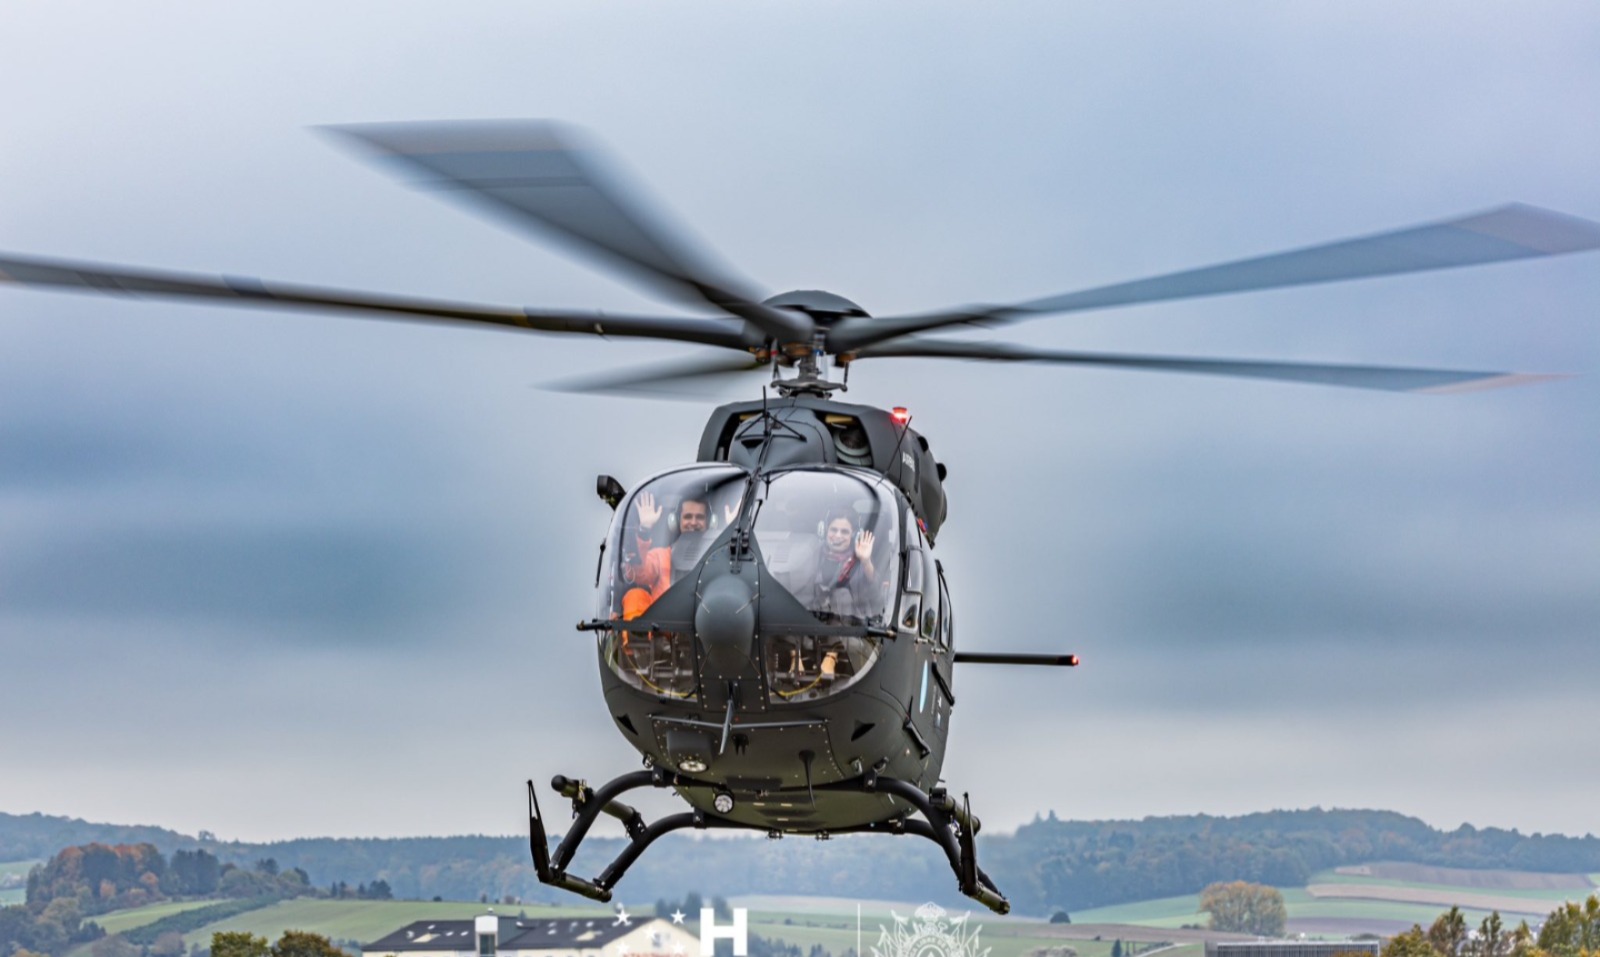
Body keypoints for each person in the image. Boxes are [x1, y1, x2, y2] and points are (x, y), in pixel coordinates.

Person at [620, 492, 713, 617]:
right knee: (635, 596)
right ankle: (637, 631)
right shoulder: (661, 556)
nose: (693, 522)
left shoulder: (717, 558)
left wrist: (733, 531)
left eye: (700, 517)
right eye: (688, 517)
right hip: (663, 625)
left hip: (707, 622)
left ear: (710, 522)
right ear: (675, 521)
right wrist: (644, 530)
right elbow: (637, 574)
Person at [807, 509, 879, 620]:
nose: (838, 535)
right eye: (833, 530)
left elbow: (876, 592)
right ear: (825, 530)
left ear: (854, 534)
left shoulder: (860, 558)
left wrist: (865, 561)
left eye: (844, 532)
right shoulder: (813, 554)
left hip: (849, 624)